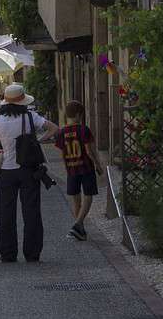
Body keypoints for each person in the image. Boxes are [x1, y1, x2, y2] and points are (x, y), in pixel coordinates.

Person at [0, 83, 58, 263]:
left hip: (6, 171)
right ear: (22, 102)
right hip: (28, 170)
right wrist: (38, 141)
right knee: (32, 212)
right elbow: (54, 129)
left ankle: (8, 253)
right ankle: (32, 253)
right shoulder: (30, 117)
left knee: (6, 214)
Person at [54, 100, 104, 241]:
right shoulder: (83, 130)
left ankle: (79, 229)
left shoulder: (61, 133)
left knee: (76, 200)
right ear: (78, 114)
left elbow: (62, 154)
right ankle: (77, 225)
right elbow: (89, 150)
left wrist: (66, 168)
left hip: (71, 168)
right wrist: (98, 166)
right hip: (86, 167)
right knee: (88, 196)